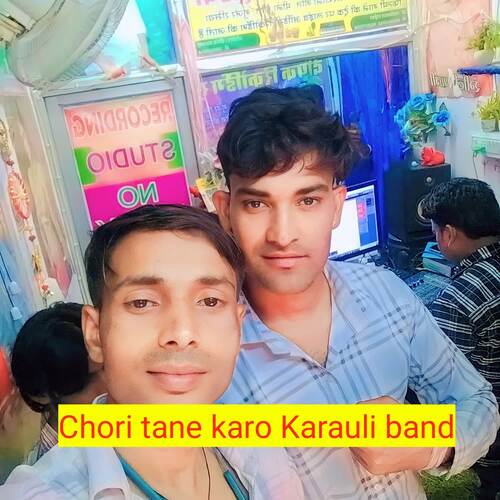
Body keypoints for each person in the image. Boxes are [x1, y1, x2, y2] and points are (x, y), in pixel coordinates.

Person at [212, 86, 500, 499]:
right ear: (226, 212)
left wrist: (428, 443)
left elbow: (476, 399)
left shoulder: (386, 294)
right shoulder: (207, 360)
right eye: (257, 204)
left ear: (336, 206)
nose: (283, 235)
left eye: (307, 201)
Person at [0, 204, 303, 500]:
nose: (181, 334)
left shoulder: (263, 454)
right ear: (94, 334)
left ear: (237, 327)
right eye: (142, 302)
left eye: (210, 302)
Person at [421, 177, 500, 500]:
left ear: (449, 234)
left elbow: (434, 383)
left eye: (435, 232)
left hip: (489, 435)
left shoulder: (457, 301)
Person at [10, 302, 105, 464]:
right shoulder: (55, 466)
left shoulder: (115, 425)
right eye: (86, 383)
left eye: (108, 367)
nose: (107, 385)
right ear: (42, 396)